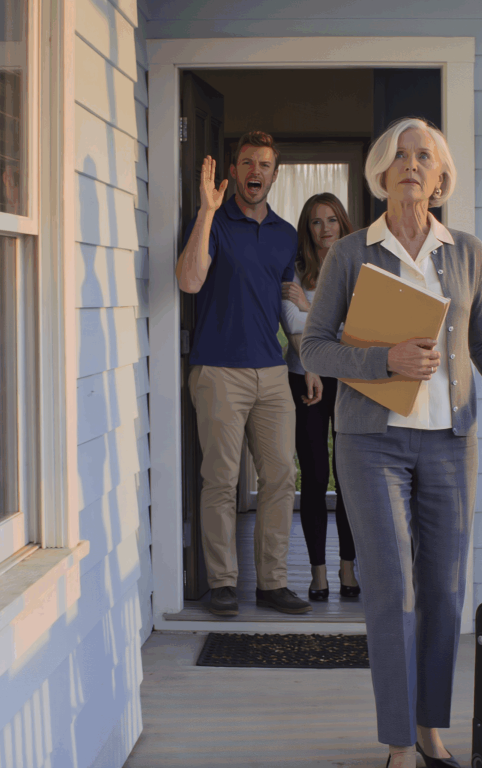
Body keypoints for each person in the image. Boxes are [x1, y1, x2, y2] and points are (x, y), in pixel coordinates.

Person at [301, 118, 482, 768]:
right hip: (370, 445)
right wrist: (382, 359)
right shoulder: (352, 252)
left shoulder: (467, 252)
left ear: (440, 178)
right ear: (381, 173)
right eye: (400, 154)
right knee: (392, 592)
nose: (411, 164)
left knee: (444, 592)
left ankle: (429, 730)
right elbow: (314, 346)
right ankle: (397, 744)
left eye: (425, 156)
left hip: (450, 444)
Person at [175, 130, 312, 618]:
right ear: (234, 170)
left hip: (272, 371)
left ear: (275, 175)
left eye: (266, 164)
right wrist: (208, 211)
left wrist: (305, 356)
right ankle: (223, 584)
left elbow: (286, 303)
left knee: (280, 477)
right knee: (221, 479)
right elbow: (189, 280)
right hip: (218, 371)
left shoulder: (283, 233)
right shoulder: (212, 220)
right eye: (248, 162)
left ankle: (273, 583)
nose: (256, 171)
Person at [281, 193, 361, 601]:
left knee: (347, 475)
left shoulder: (358, 267)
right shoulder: (295, 269)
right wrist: (323, 318)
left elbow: (359, 325)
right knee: (312, 476)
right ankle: (318, 574)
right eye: (316, 222)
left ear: (343, 224)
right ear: (307, 228)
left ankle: (348, 568)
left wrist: (310, 308)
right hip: (304, 378)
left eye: (332, 220)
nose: (325, 228)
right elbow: (291, 323)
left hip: (349, 381)